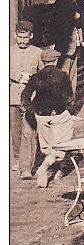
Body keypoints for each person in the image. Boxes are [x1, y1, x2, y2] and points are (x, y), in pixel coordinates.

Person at [22, 47, 74, 188]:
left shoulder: (36, 77)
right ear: (56, 60)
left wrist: (33, 110)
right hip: (59, 115)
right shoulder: (62, 76)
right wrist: (69, 110)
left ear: (42, 61)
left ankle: (50, 166)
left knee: (48, 147)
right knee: (62, 146)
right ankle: (50, 167)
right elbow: (69, 97)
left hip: (41, 116)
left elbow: (25, 97)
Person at [10, 21, 42, 179]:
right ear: (15, 35)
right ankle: (17, 158)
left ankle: (26, 166)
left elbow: (43, 74)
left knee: (28, 132)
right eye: (19, 37)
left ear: (31, 36)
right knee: (15, 132)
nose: (22, 40)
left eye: (25, 37)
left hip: (30, 98)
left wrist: (31, 78)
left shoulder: (37, 52)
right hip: (12, 98)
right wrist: (14, 76)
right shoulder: (8, 52)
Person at [50, 0, 82, 100]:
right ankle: (64, 103)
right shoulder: (63, 19)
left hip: (72, 50)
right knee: (66, 77)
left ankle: (69, 101)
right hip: (65, 52)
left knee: (71, 76)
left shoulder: (66, 17)